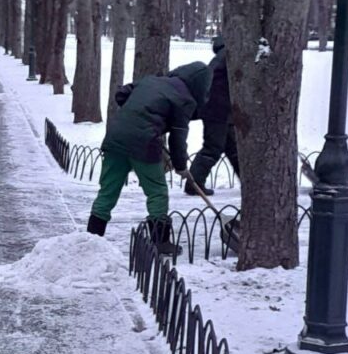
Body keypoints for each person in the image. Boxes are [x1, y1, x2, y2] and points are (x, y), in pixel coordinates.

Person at [87, 61, 213, 253]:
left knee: (108, 190)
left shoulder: (149, 81)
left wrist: (137, 114)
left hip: (115, 137)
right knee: (157, 191)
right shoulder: (185, 100)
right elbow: (178, 138)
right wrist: (181, 166)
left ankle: (91, 237)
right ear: (199, 86)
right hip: (143, 144)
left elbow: (121, 94)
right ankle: (160, 241)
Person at [186, 35, 240, 196]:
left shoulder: (220, 58)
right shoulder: (229, 56)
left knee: (233, 148)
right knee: (213, 147)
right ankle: (193, 184)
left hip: (219, 110)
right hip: (218, 110)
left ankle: (250, 182)